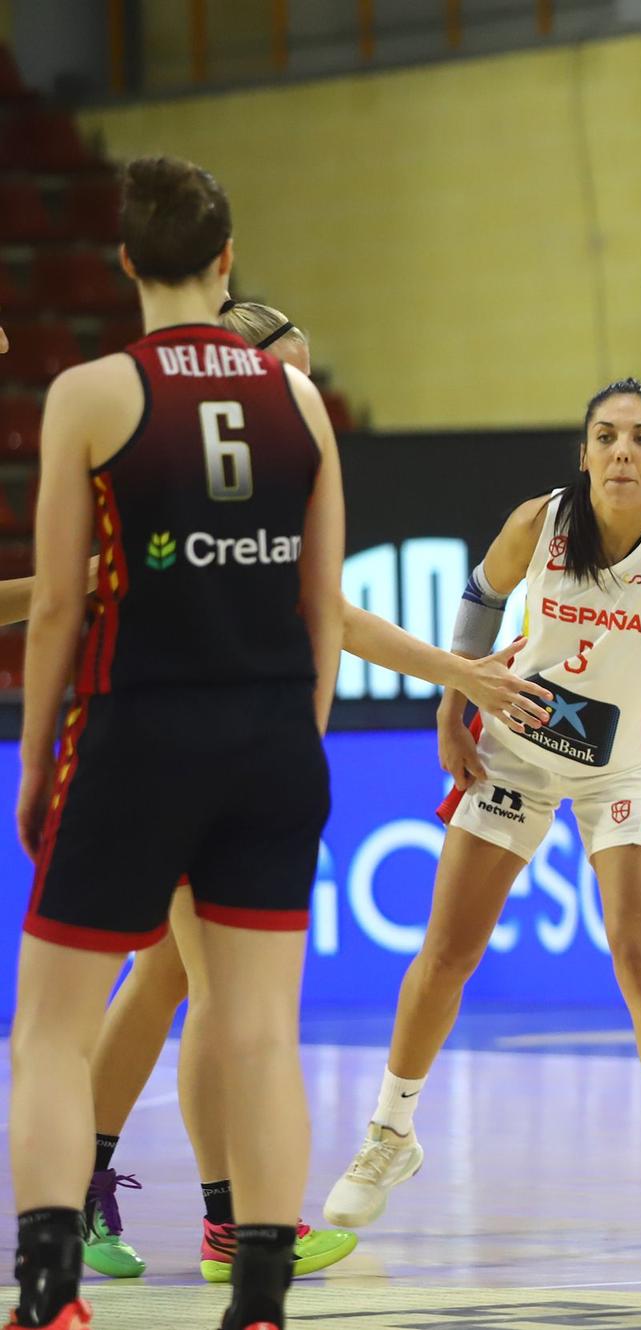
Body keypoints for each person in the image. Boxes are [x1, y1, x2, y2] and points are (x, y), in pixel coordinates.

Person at [58, 298, 551, 1286]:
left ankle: (84, 1187)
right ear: (243, 371)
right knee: (206, 987)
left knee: (168, 975)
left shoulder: (262, 470)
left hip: (202, 743)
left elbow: (327, 613)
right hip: (176, 741)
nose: (309, 390)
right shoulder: (205, 476)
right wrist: (464, 674)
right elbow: (331, 612)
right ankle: (226, 1223)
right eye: (295, 369)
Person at [320, 377, 641, 1246]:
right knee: (447, 950)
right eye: (606, 437)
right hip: (518, 739)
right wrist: (454, 697)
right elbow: (482, 599)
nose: (623, 452)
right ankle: (389, 1134)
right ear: (585, 452)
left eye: (640, 438)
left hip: (624, 762)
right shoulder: (538, 522)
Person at [10, 155, 347, 1330]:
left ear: (123, 265)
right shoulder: (298, 401)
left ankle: (47, 1293)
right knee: (260, 1032)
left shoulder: (91, 393)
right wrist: (295, 747)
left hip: (139, 728)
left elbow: (57, 604)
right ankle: (259, 1302)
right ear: (227, 257)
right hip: (269, 737)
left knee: (47, 1025)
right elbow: (323, 602)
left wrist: (43, 754)